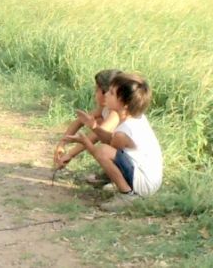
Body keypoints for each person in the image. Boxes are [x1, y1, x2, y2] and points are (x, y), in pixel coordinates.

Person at [66, 73, 163, 212]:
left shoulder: (124, 131)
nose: (106, 95)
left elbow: (102, 152)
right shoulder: (136, 118)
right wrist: (94, 127)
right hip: (148, 178)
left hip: (144, 183)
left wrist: (85, 141)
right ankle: (118, 184)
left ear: (124, 104)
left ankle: (127, 195)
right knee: (107, 150)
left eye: (111, 93)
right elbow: (111, 142)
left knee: (103, 151)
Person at [54, 69, 122, 174]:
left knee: (99, 127)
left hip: (130, 163)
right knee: (98, 122)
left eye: (96, 90)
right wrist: (62, 144)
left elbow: (96, 135)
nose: (95, 93)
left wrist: (70, 154)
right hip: (121, 155)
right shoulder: (105, 109)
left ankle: (117, 177)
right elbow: (79, 121)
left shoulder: (115, 114)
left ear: (105, 93)